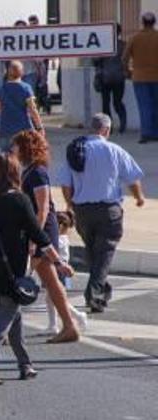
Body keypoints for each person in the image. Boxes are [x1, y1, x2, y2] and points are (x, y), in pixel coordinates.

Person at [0, 153, 74, 385]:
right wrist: (58, 262)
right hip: (12, 267)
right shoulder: (20, 200)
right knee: (6, 313)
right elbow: (39, 235)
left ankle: (25, 365)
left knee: (12, 311)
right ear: (16, 173)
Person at [58, 113, 146, 313]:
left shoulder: (76, 150)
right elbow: (132, 178)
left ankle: (101, 290)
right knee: (105, 252)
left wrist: (70, 204)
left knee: (93, 251)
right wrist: (139, 198)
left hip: (83, 211)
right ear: (106, 130)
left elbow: (65, 183)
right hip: (109, 211)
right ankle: (94, 295)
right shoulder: (114, 150)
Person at [12, 130, 84, 343]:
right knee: (43, 281)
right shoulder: (30, 171)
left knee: (38, 280)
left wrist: (36, 238)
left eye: (16, 146)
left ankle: (69, 326)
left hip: (43, 231)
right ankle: (68, 325)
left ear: (26, 148)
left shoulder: (38, 173)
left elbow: (43, 208)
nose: (13, 150)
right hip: (37, 231)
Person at [47, 211, 88, 335]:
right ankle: (52, 325)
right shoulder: (62, 239)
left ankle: (78, 315)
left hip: (59, 272)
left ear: (59, 226)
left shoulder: (60, 240)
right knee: (50, 299)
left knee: (56, 298)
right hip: (58, 271)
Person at [123, 12, 158, 143]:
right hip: (157, 77)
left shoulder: (135, 38)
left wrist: (127, 72)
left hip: (139, 78)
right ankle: (156, 132)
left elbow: (124, 58)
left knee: (144, 106)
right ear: (154, 22)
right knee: (156, 106)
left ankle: (145, 134)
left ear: (142, 22)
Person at [0, 60, 44, 151]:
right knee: (25, 159)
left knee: (7, 161)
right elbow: (33, 109)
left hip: (5, 131)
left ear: (8, 73)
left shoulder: (2, 89)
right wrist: (39, 127)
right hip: (23, 131)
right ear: (21, 72)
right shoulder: (26, 88)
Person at [94, 23, 128, 134]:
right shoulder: (123, 45)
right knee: (117, 102)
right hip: (118, 78)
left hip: (106, 78)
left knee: (106, 104)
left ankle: (109, 127)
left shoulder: (103, 45)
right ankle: (122, 122)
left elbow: (96, 61)